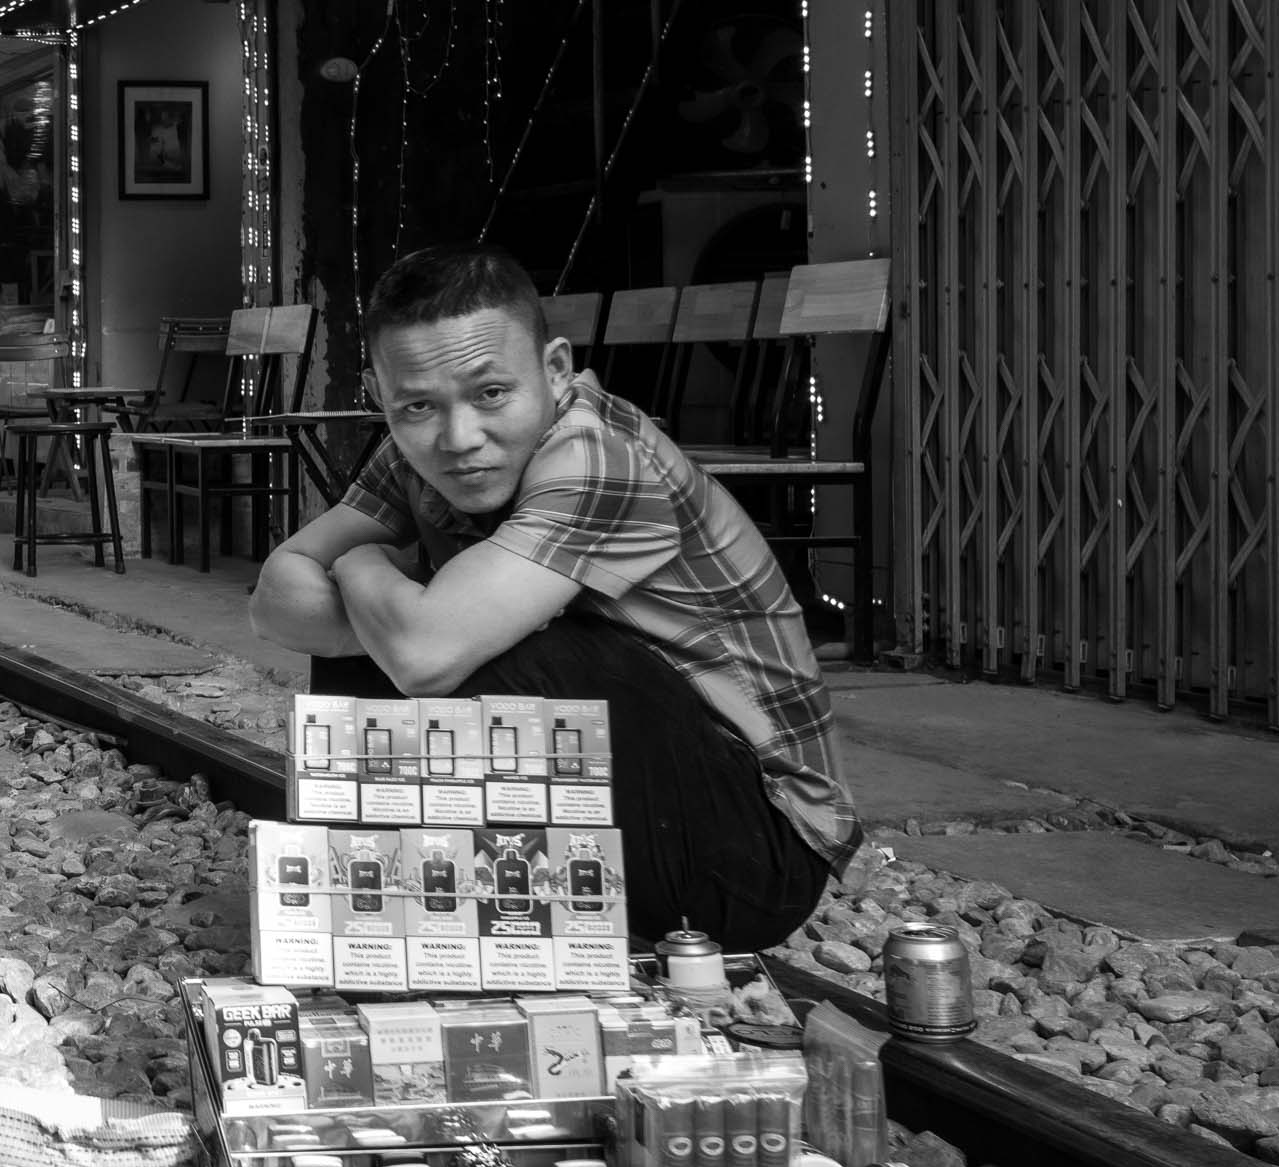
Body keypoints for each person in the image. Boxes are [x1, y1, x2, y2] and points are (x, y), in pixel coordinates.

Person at [247, 243, 859, 952]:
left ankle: (470, 902)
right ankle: (401, 905)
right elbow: (273, 602)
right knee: (412, 629)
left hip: (755, 852)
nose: (460, 436)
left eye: (491, 393)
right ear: (384, 396)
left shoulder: (598, 458)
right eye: (417, 405)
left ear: (555, 369)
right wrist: (398, 612)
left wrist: (359, 565)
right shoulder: (421, 445)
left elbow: (424, 653)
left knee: (500, 642)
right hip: (645, 805)